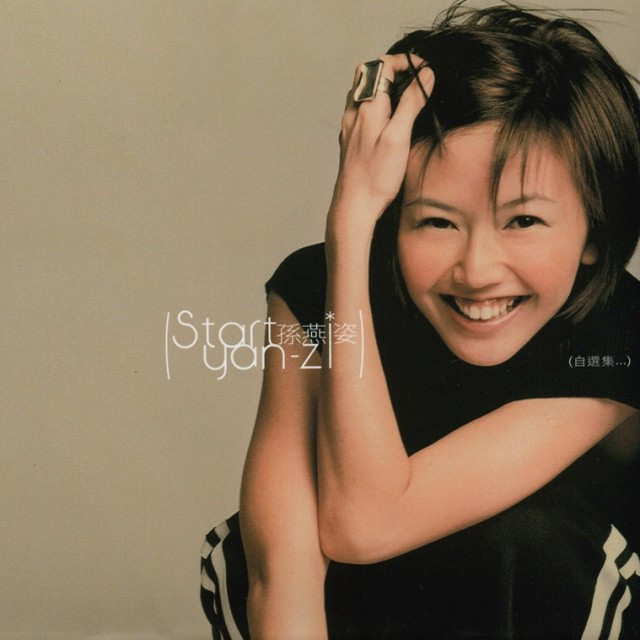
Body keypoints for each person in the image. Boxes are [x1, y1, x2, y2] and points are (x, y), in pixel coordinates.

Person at [201, 2, 640, 637]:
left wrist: (352, 222)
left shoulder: (618, 333)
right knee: (254, 547)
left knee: (525, 536)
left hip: (547, 605)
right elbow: (283, 572)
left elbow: (363, 523)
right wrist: (350, 223)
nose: (478, 270)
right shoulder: (318, 288)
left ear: (594, 233)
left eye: (523, 220)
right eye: (436, 221)